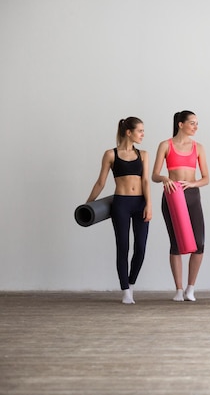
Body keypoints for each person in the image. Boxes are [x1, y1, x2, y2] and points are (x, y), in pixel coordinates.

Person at [86, 117, 152, 304]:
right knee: (123, 247)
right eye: (140, 131)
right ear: (128, 132)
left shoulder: (144, 154)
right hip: (121, 203)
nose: (143, 134)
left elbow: (146, 181)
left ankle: (131, 283)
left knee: (141, 248)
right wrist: (88, 204)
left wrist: (149, 204)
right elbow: (101, 182)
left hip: (140, 203)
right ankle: (125, 291)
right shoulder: (110, 154)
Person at [152, 110, 209, 302]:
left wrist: (193, 184)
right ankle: (178, 289)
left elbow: (206, 178)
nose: (195, 126)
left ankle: (190, 288)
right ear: (180, 124)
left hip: (192, 195)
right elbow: (154, 175)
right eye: (192, 123)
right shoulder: (165, 145)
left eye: (196, 123)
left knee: (199, 243)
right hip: (172, 195)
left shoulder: (198, 147)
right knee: (176, 244)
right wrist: (165, 178)